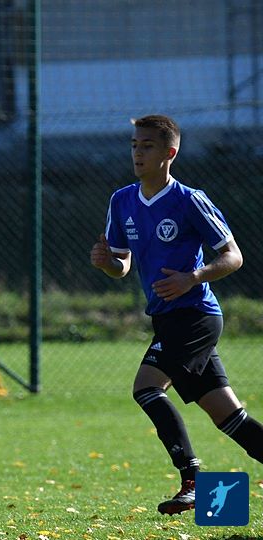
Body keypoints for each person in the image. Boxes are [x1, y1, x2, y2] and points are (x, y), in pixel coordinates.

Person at [90, 114, 263, 515]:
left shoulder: (189, 200)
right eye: (134, 145)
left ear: (169, 153)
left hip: (195, 314)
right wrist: (106, 263)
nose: (137, 153)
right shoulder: (122, 200)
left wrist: (193, 277)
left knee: (147, 388)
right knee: (229, 417)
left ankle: (193, 480)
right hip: (166, 318)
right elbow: (122, 265)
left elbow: (233, 256)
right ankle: (217, 498)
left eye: (147, 146)